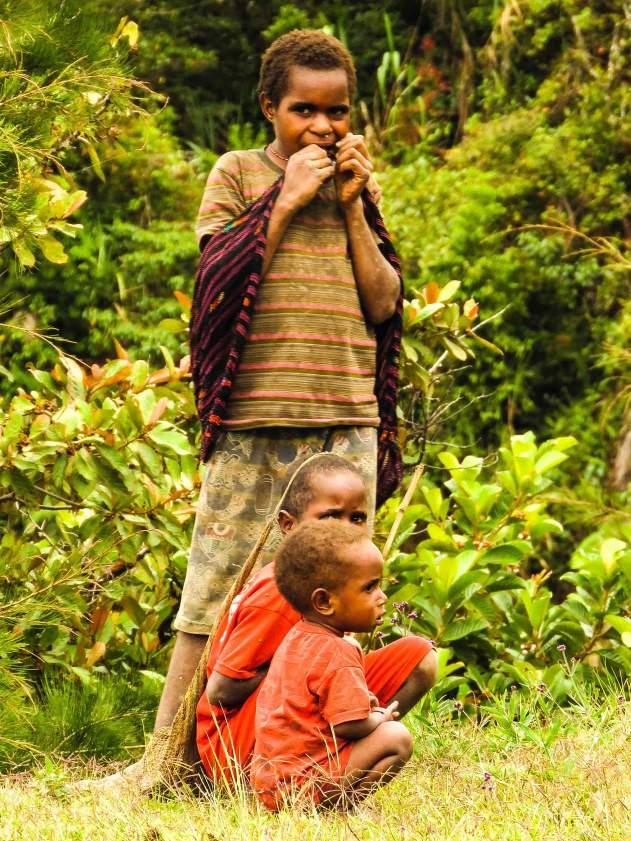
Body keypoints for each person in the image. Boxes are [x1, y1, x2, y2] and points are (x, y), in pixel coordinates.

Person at [155, 28, 404, 732]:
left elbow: (384, 302)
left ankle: (305, 750)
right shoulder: (237, 173)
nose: (322, 127)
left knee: (335, 597)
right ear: (270, 106)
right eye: (304, 110)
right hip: (255, 419)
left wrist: (354, 204)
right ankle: (166, 758)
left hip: (346, 420)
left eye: (337, 112)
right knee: (215, 594)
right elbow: (216, 281)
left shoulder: (356, 187)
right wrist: (284, 201)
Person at [250, 519, 432, 811]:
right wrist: (380, 718)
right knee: (396, 737)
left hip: (270, 784)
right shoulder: (337, 651)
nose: (382, 598)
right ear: (324, 602)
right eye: (369, 588)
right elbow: (349, 726)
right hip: (301, 785)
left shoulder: (298, 636)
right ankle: (340, 808)